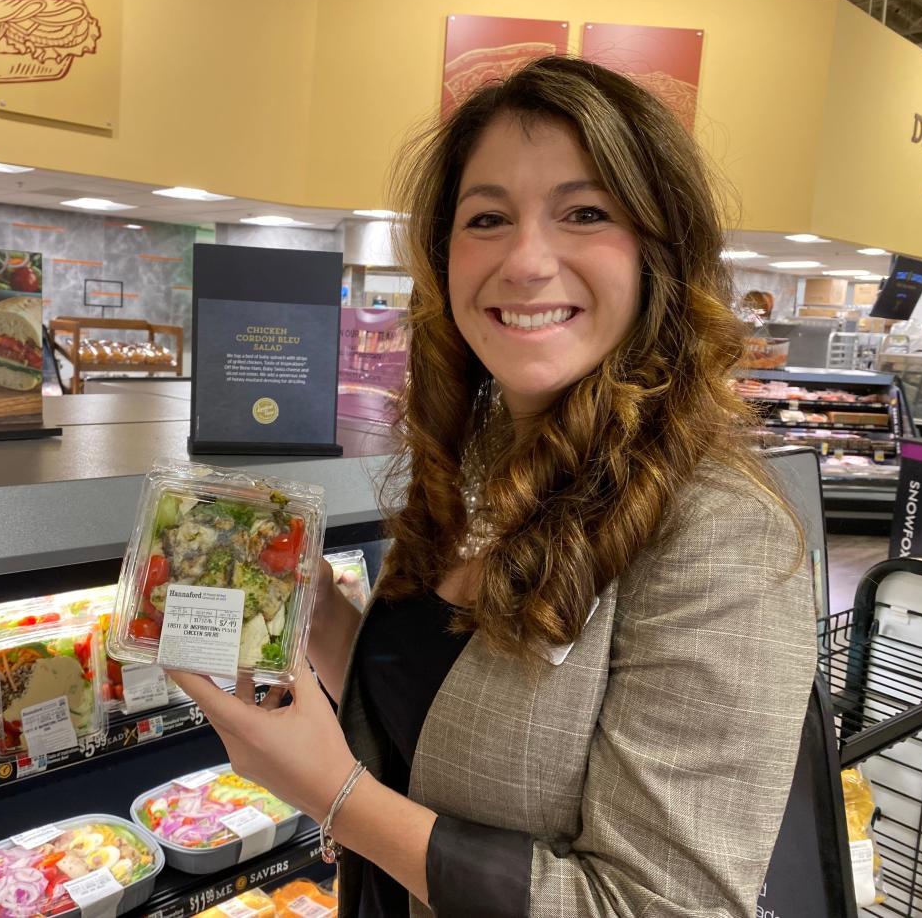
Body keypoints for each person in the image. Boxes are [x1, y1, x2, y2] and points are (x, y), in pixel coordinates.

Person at [172, 55, 818, 918]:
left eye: (586, 213)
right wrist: (319, 620)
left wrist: (331, 795)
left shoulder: (720, 533)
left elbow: (662, 906)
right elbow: (443, 704)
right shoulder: (475, 458)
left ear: (661, 252)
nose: (524, 262)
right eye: (487, 218)